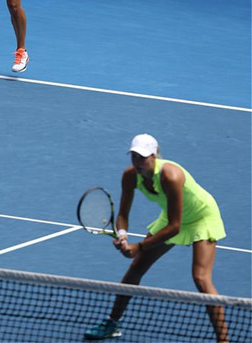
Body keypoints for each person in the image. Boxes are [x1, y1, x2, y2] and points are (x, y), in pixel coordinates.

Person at [84, 134, 229, 342]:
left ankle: (223, 340)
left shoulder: (171, 176)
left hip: (200, 217)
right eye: (134, 156)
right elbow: (123, 214)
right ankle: (112, 323)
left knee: (201, 278)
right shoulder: (130, 176)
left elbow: (174, 227)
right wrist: (123, 236)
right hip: (171, 216)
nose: (137, 162)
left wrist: (140, 246)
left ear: (154, 156)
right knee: (135, 269)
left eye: (142, 157)